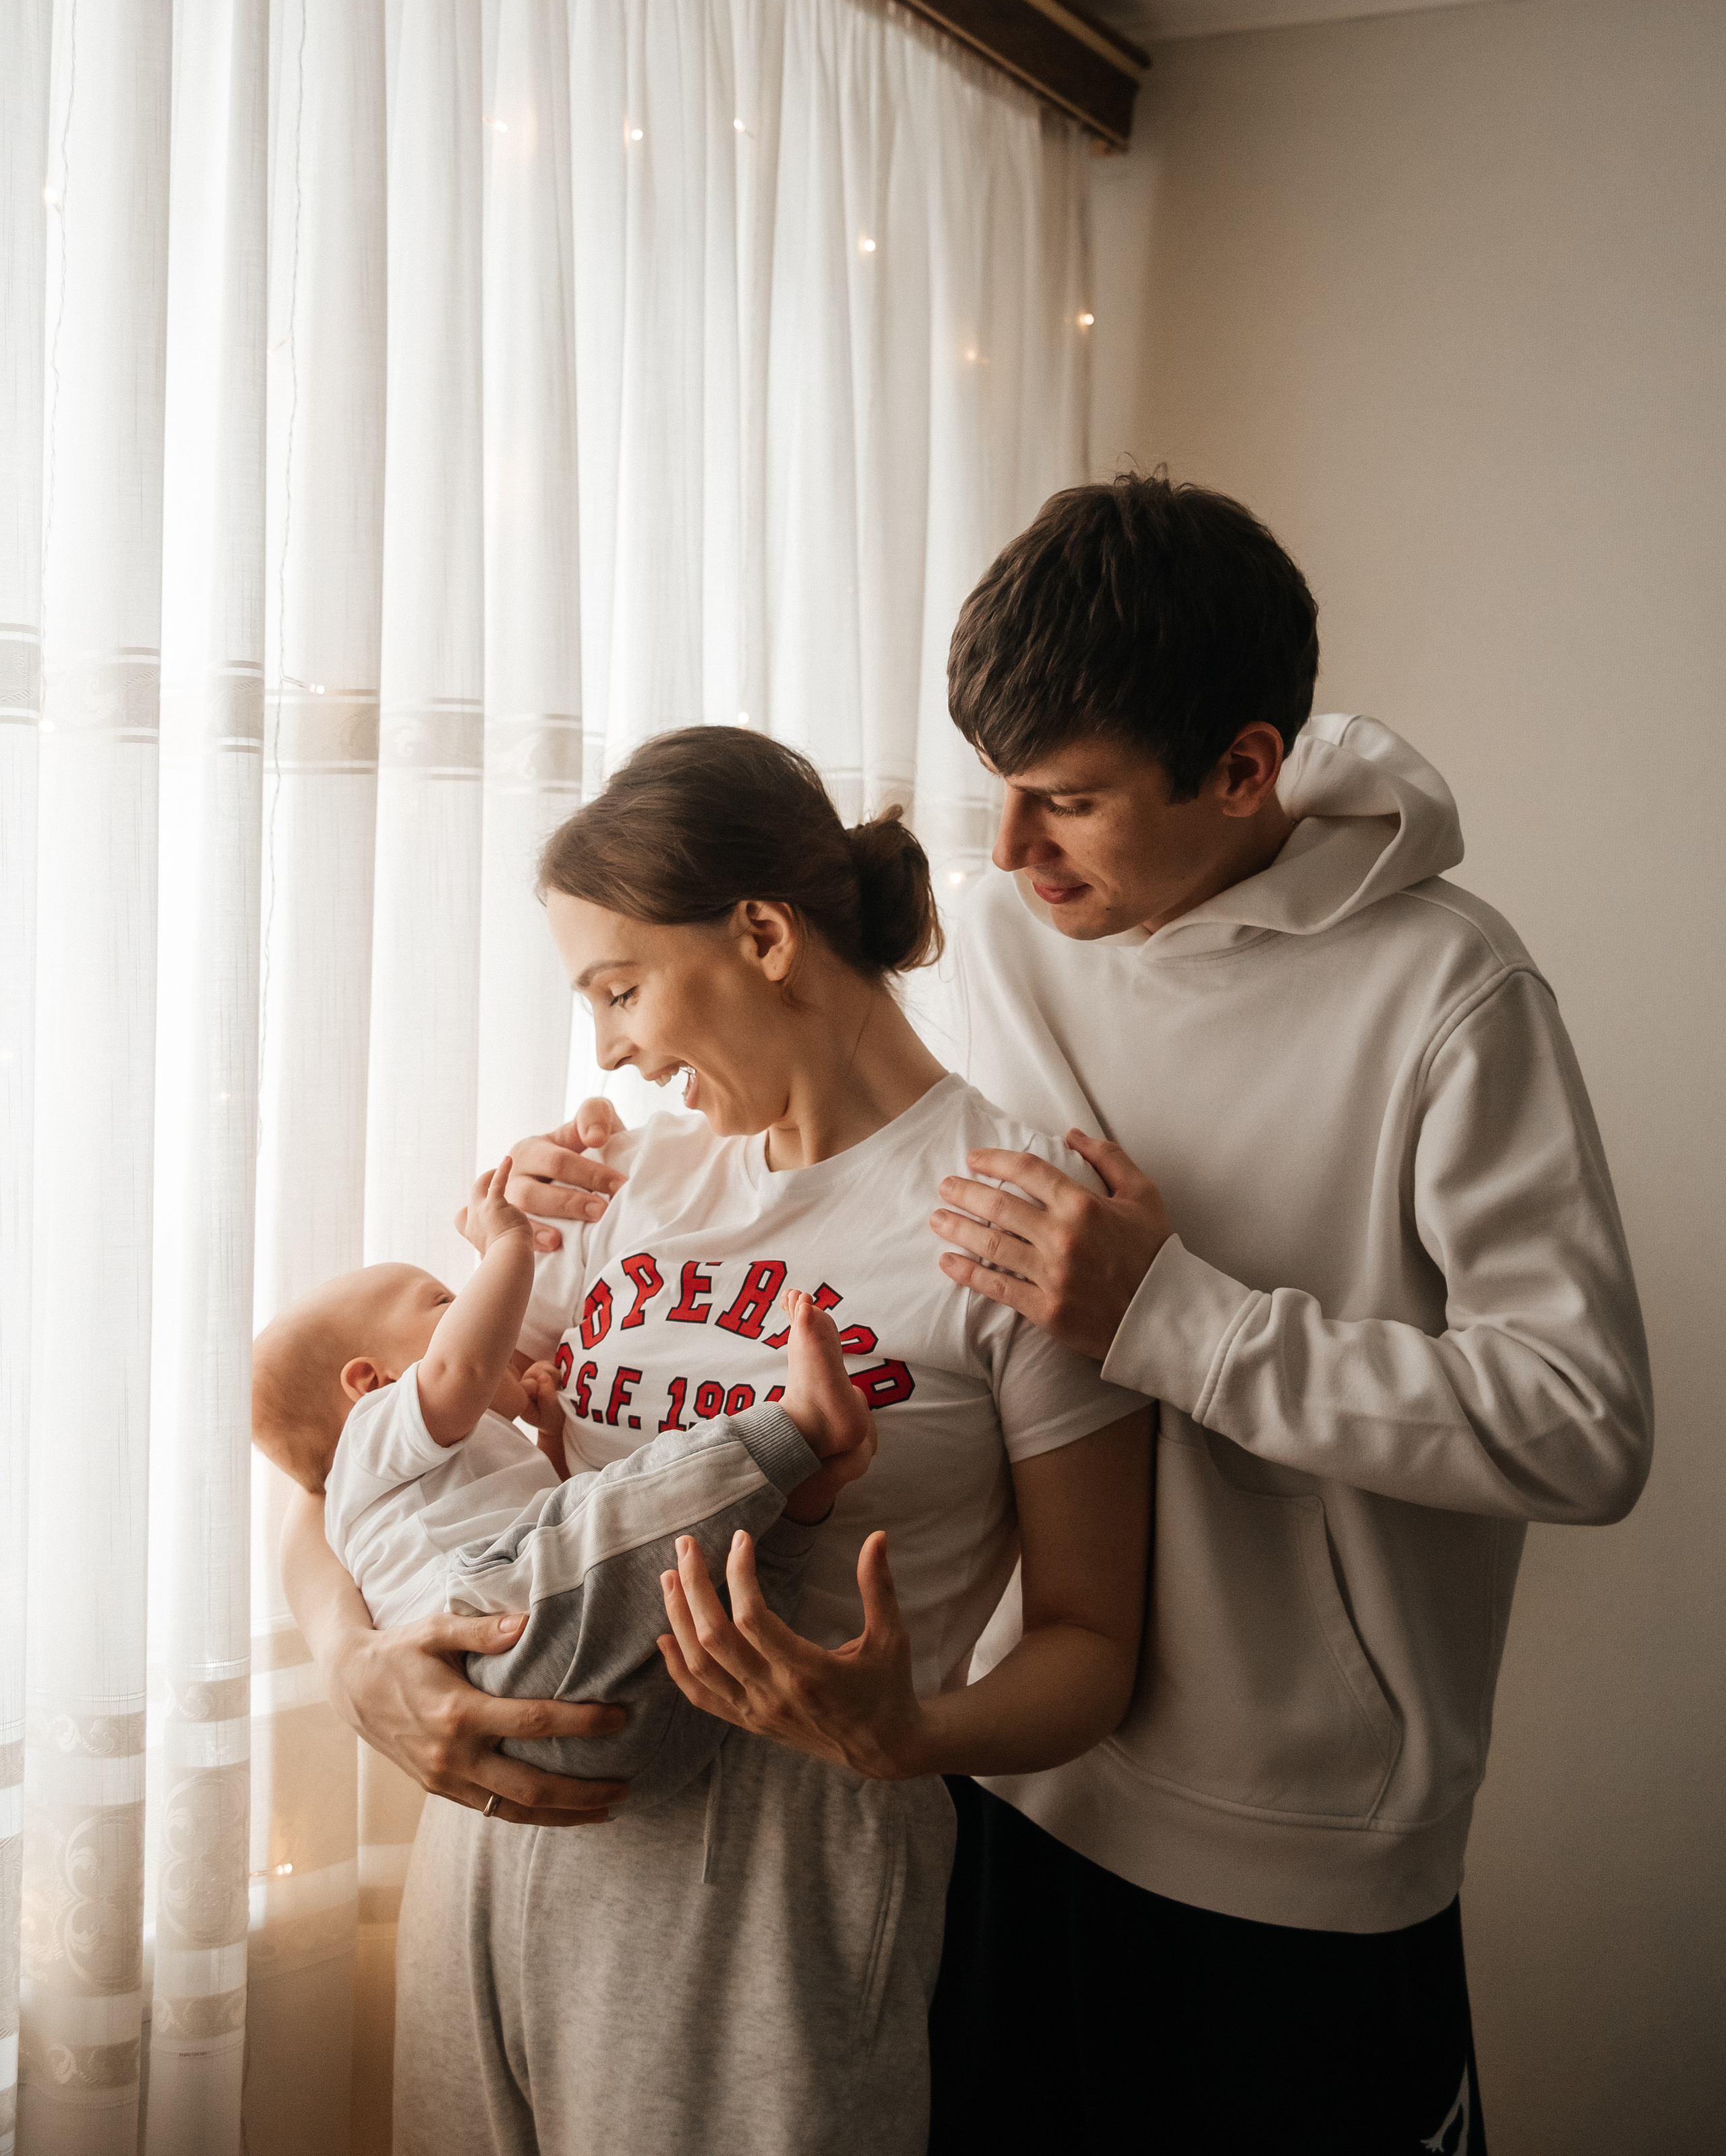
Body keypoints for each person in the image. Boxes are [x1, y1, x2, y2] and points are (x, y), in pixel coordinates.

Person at [547, 476, 1653, 2156]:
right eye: (998, 792)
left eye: (1063, 800)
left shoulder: (1452, 997)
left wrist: (1175, 1317)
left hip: (1302, 1861)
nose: (1004, 853)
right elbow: (817, 1161)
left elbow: (1581, 1426)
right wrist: (550, 1210)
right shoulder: (999, 939)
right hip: (984, 1794)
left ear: (1240, 766)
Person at [275, 726, 1151, 2156]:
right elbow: (355, 1464)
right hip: (497, 1860)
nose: (609, 1045)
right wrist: (351, 1663)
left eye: (618, 989)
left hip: (773, 1909)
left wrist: (909, 1730)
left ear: (760, 933)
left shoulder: (1011, 1220)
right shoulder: (614, 1187)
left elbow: (1088, 1648)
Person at [251, 1156, 874, 1801]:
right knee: (625, 1515)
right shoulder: (372, 1431)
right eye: (444, 1302)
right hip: (497, 1639)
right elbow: (458, 1372)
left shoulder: (409, 1474)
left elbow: (541, 1506)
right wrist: (507, 1245)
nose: (471, 1308)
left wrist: (549, 1439)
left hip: (622, 1740)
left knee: (702, 1589)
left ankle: (804, 1494)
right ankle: (798, 1429)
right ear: (369, 1381)